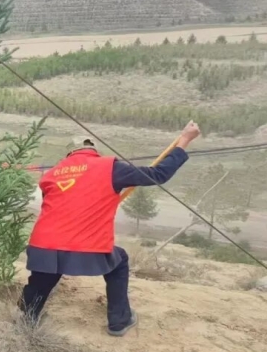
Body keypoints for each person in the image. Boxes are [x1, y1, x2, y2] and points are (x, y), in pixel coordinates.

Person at [18, 121, 201, 336]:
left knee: (44, 275)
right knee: (119, 261)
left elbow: (62, 206)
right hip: (84, 248)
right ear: (94, 150)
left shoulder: (51, 174)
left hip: (42, 245)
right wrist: (185, 140)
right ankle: (119, 321)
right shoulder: (110, 167)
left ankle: (25, 320)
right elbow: (158, 174)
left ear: (69, 153)